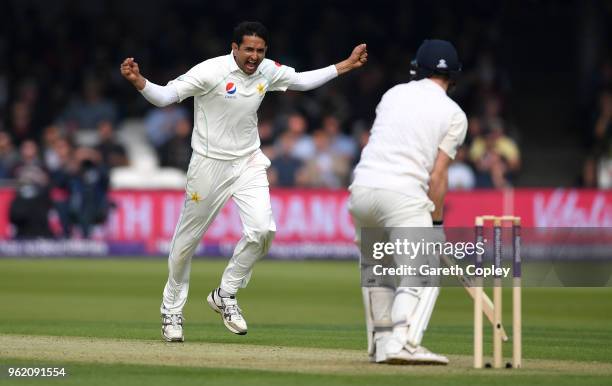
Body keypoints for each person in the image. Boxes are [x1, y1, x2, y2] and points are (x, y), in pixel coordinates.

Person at [120, 21, 367, 342]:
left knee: (263, 230)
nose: (254, 56)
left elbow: (302, 81)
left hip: (248, 161)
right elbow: (166, 97)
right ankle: (171, 309)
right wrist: (140, 81)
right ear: (234, 47)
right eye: (248, 49)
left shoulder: (268, 70)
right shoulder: (210, 71)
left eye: (260, 50)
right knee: (185, 245)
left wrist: (345, 65)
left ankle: (226, 293)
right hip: (209, 165)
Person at [349, 40, 467, 364]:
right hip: (402, 194)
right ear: (453, 76)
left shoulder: (393, 94)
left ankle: (381, 342)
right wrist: (437, 226)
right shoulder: (455, 115)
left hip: (362, 189)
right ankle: (402, 341)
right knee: (423, 269)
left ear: (418, 68)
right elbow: (438, 177)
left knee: (378, 270)